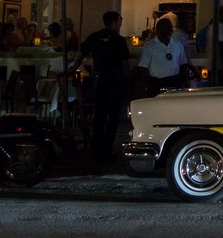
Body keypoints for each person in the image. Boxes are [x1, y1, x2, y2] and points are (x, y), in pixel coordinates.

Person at [70, 11, 131, 162]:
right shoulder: (119, 40)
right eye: (120, 21)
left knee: (100, 114)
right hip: (115, 79)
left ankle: (96, 148)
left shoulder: (94, 37)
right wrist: (129, 81)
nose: (121, 23)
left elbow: (80, 55)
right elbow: (125, 65)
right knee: (113, 116)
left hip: (100, 79)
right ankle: (106, 149)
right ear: (115, 22)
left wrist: (72, 70)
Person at [138, 17, 191, 97]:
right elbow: (143, 67)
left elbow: (183, 64)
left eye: (169, 27)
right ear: (158, 30)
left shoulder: (178, 45)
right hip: (157, 83)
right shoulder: (149, 46)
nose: (168, 30)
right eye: (165, 28)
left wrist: (183, 82)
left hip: (174, 82)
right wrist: (147, 85)